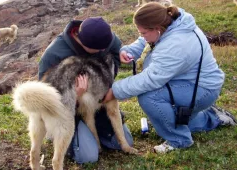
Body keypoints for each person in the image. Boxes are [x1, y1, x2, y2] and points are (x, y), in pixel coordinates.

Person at [103, 2, 237, 153]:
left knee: (149, 96)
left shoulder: (177, 44)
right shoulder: (170, 24)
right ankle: (213, 117)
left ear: (157, 29)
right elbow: (145, 40)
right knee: (170, 120)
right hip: (188, 81)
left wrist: (115, 90)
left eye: (143, 33)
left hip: (202, 88)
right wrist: (130, 50)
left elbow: (151, 79)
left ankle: (179, 140)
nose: (142, 36)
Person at [38, 16, 134, 163]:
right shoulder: (53, 55)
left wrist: (121, 54)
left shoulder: (103, 37)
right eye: (98, 50)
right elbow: (46, 98)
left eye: (105, 47)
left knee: (124, 142)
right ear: (83, 42)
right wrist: (76, 96)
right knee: (88, 157)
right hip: (67, 111)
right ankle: (59, 137)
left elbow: (115, 49)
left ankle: (97, 135)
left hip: (97, 100)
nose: (103, 50)